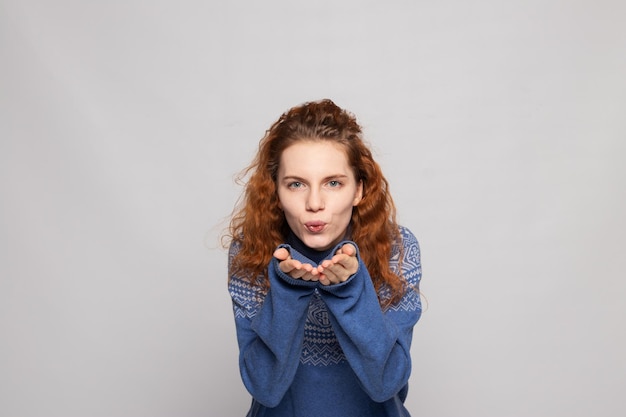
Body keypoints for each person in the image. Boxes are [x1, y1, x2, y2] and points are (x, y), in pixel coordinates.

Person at [226, 99, 422, 417]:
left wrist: (350, 291)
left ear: (358, 189)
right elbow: (265, 388)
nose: (314, 203)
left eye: (333, 183)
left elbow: (386, 384)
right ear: (276, 193)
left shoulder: (398, 250)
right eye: (296, 184)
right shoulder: (251, 252)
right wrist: (288, 292)